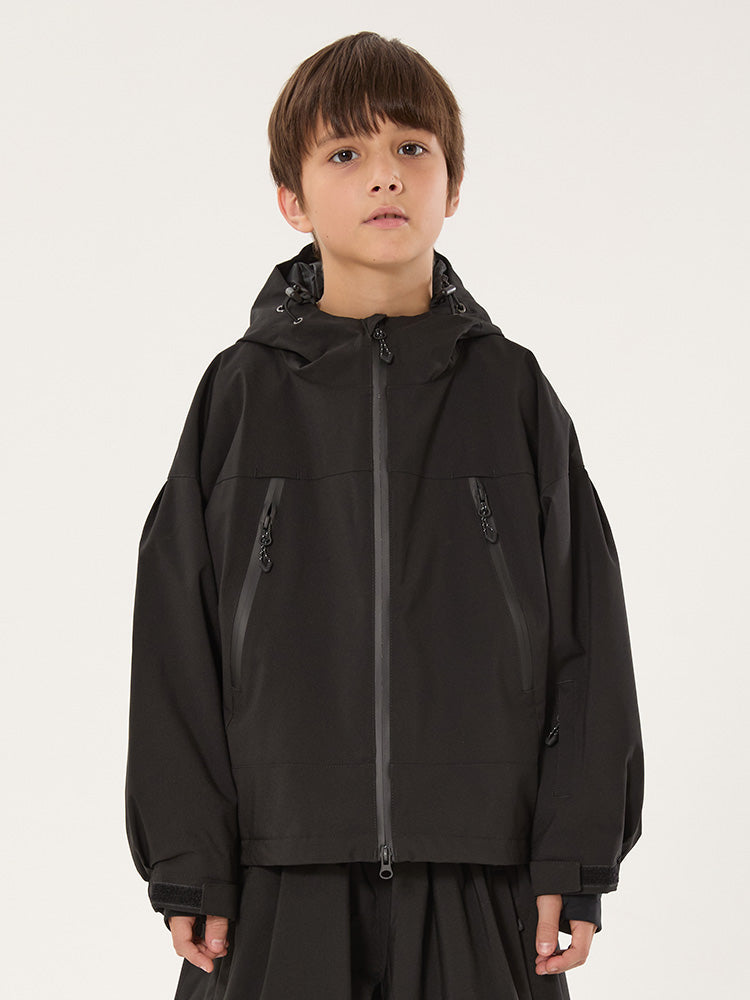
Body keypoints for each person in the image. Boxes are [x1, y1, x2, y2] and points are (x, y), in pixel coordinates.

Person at [125, 30, 644, 1000]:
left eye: (412, 147)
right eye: (345, 152)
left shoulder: (511, 393)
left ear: (454, 186)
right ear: (292, 197)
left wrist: (573, 855)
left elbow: (588, 631)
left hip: (481, 873)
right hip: (279, 875)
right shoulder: (239, 396)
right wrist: (189, 857)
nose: (385, 175)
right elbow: (175, 637)